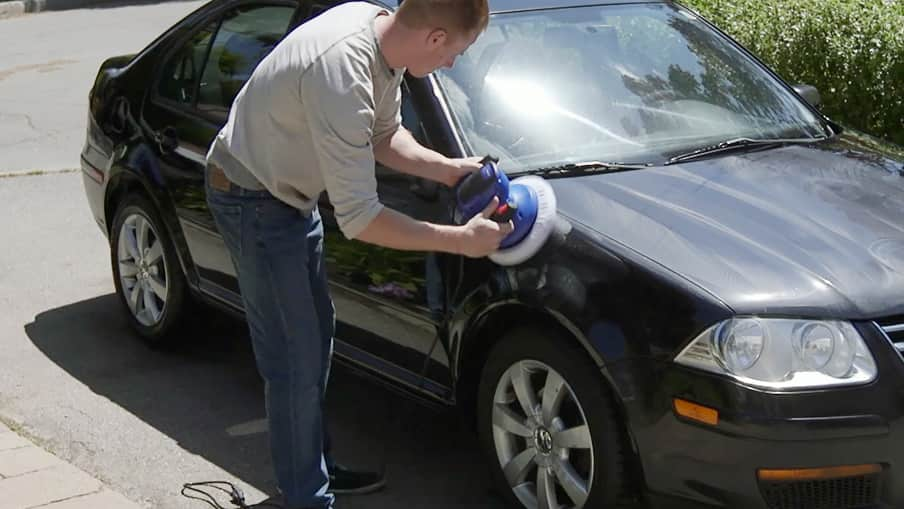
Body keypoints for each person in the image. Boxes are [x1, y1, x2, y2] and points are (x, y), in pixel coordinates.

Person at [203, 1, 511, 508]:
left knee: (315, 338)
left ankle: (310, 468)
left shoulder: (380, 34)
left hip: (287, 195)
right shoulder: (342, 71)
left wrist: (450, 169)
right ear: (435, 38)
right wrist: (461, 240)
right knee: (292, 357)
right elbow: (362, 220)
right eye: (457, 51)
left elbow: (385, 136)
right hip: (250, 198)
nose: (454, 64)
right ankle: (307, 495)